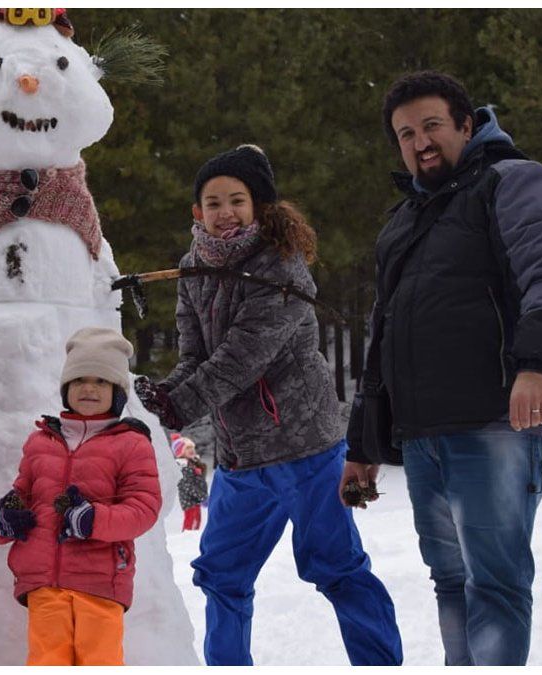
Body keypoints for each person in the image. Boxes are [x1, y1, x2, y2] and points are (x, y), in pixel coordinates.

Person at [344, 70, 542, 666]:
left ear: (467, 124)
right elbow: (384, 337)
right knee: (450, 582)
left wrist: (536, 365)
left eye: (432, 125)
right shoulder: (403, 223)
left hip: (495, 422)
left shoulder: (516, 183)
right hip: (425, 434)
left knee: (496, 585)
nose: (420, 142)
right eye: (405, 134)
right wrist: (364, 443)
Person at [134, 144, 402, 666]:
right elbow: (195, 356)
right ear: (197, 212)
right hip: (241, 460)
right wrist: (161, 399)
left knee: (337, 567)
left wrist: (179, 404)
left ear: (259, 207)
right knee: (221, 574)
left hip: (307, 451)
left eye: (237, 200)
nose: (225, 212)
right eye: (213, 202)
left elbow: (241, 359)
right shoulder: (193, 269)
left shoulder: (281, 269)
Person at [0, 327, 161, 666]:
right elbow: (21, 494)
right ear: (66, 390)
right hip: (43, 580)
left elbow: (144, 508)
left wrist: (93, 519)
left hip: (100, 580)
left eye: (101, 381)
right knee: (47, 660)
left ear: (117, 392)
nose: (89, 388)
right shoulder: (41, 441)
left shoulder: (131, 443)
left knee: (99, 660)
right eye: (79, 380)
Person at [171, 434, 207, 532]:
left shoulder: (192, 464)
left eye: (192, 447)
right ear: (180, 452)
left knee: (197, 521)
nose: (191, 450)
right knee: (191, 522)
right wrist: (202, 497)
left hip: (196, 498)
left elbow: (199, 482)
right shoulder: (183, 467)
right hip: (189, 500)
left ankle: (191, 539)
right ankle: (185, 538)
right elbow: (188, 485)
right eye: (187, 448)